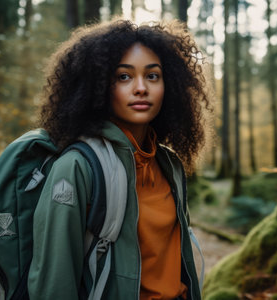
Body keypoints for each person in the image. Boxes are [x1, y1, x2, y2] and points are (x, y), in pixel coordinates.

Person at [28, 19, 210, 300]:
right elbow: (54, 283)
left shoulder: (169, 165)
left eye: (152, 76)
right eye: (123, 77)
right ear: (98, 85)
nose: (141, 88)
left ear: (169, 85)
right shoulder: (78, 167)